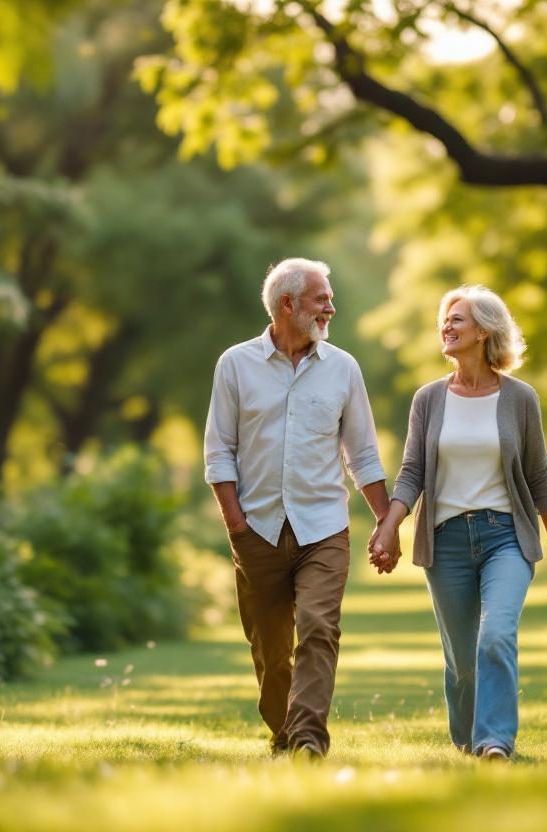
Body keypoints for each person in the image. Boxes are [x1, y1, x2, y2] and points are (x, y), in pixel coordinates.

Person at [204, 257, 395, 760]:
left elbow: (362, 455)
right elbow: (219, 453)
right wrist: (236, 525)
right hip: (256, 530)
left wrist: (386, 522)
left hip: (323, 528)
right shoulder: (235, 365)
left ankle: (309, 738)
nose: (331, 308)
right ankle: (284, 731)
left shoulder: (343, 368)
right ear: (287, 304)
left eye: (330, 298)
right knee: (270, 650)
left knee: (317, 628)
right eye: (321, 299)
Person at [369, 284, 547, 761]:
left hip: (506, 537)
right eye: (445, 319)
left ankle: (495, 740)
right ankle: (467, 740)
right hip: (447, 541)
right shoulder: (428, 399)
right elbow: (412, 471)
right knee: (462, 660)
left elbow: (539, 476)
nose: (447, 326)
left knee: (496, 635)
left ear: (484, 331)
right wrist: (389, 525)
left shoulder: (520, 398)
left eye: (457, 319)